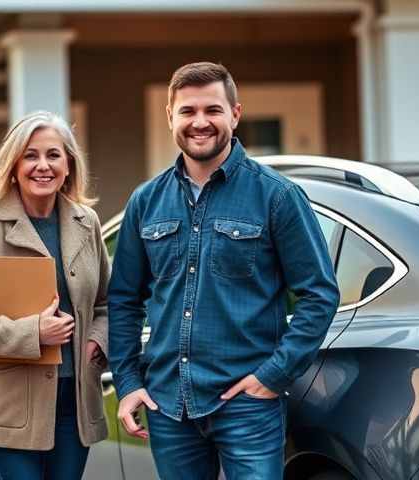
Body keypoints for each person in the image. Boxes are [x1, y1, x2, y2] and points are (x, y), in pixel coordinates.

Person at [108, 62, 340, 479]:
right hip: (167, 405)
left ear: (235, 113)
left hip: (247, 405)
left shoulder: (278, 197)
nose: (200, 122)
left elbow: (320, 294)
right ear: (170, 117)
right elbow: (123, 300)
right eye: (188, 111)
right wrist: (128, 383)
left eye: (212, 110)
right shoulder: (146, 201)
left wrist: (273, 375)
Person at [0, 111, 110, 479]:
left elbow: (106, 305)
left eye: (53, 155)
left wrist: (98, 340)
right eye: (31, 155)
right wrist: (33, 334)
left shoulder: (87, 223)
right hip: (7, 410)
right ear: (14, 165)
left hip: (74, 407)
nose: (42, 165)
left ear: (68, 164)